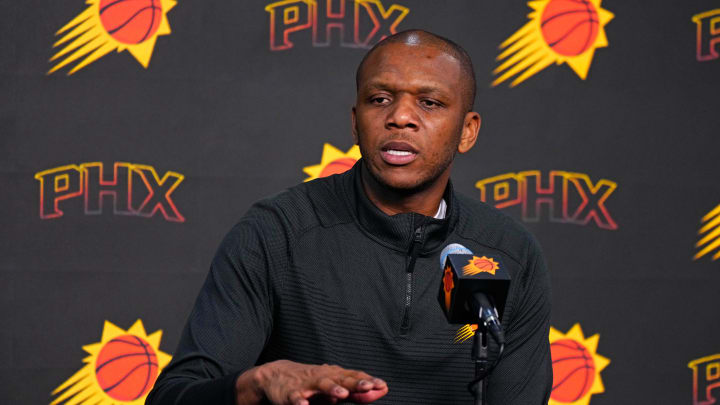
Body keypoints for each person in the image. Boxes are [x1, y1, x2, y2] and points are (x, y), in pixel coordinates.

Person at [147, 29, 552, 405]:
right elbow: (174, 396)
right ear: (355, 122)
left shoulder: (510, 254)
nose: (400, 117)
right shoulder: (276, 233)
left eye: (429, 103)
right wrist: (257, 383)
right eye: (380, 99)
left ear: (467, 131)